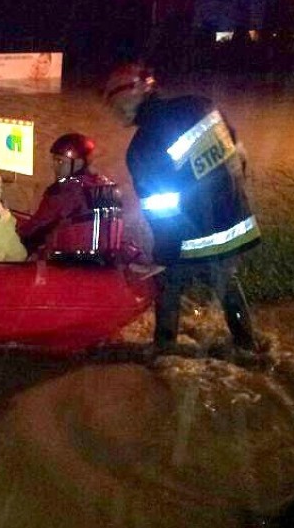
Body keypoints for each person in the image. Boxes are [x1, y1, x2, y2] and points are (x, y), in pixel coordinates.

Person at [104, 61, 265, 357]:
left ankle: (164, 351)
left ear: (129, 98)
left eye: (115, 104)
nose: (116, 113)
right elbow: (238, 156)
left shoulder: (141, 148)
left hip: (193, 235)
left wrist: (162, 255)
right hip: (236, 221)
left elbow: (161, 209)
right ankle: (248, 345)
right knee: (226, 281)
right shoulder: (201, 105)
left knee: (168, 282)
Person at [17, 132, 122, 256]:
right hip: (108, 262)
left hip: (68, 262)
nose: (54, 167)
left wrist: (14, 235)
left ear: (78, 163)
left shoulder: (65, 190)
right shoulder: (108, 187)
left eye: (60, 162)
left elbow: (35, 228)